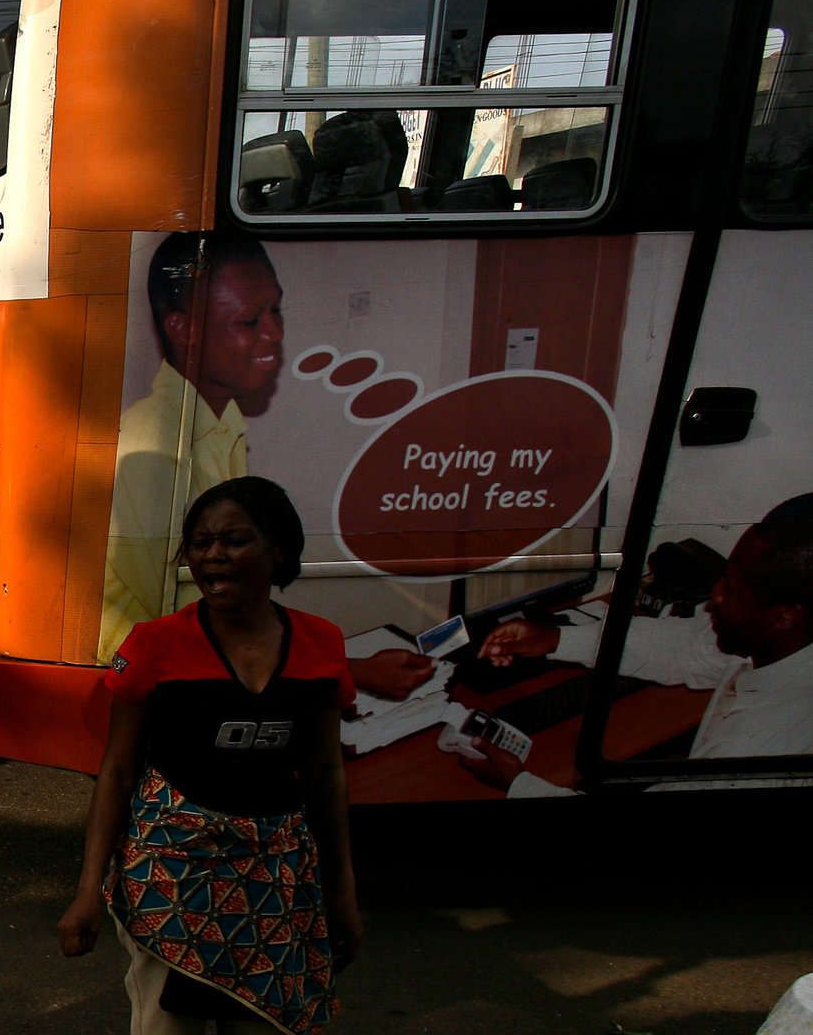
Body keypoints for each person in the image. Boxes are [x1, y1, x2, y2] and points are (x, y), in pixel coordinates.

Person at [60, 475, 360, 1035]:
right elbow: (118, 770)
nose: (214, 557)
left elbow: (324, 776)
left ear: (278, 548)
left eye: (234, 539)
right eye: (201, 544)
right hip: (174, 881)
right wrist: (88, 892)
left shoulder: (320, 646)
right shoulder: (155, 647)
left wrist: (341, 898)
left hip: (277, 885)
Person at [99, 233, 432, 703]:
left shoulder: (216, 421)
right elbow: (188, 624)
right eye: (249, 320)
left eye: (275, 311)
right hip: (161, 691)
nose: (274, 333)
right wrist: (345, 670)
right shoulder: (155, 447)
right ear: (184, 330)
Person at [464, 492, 813, 793]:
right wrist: (556, 639)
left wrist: (517, 784)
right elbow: (692, 648)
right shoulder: (784, 644)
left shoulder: (766, 747)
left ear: (784, 616)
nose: (714, 596)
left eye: (732, 590)